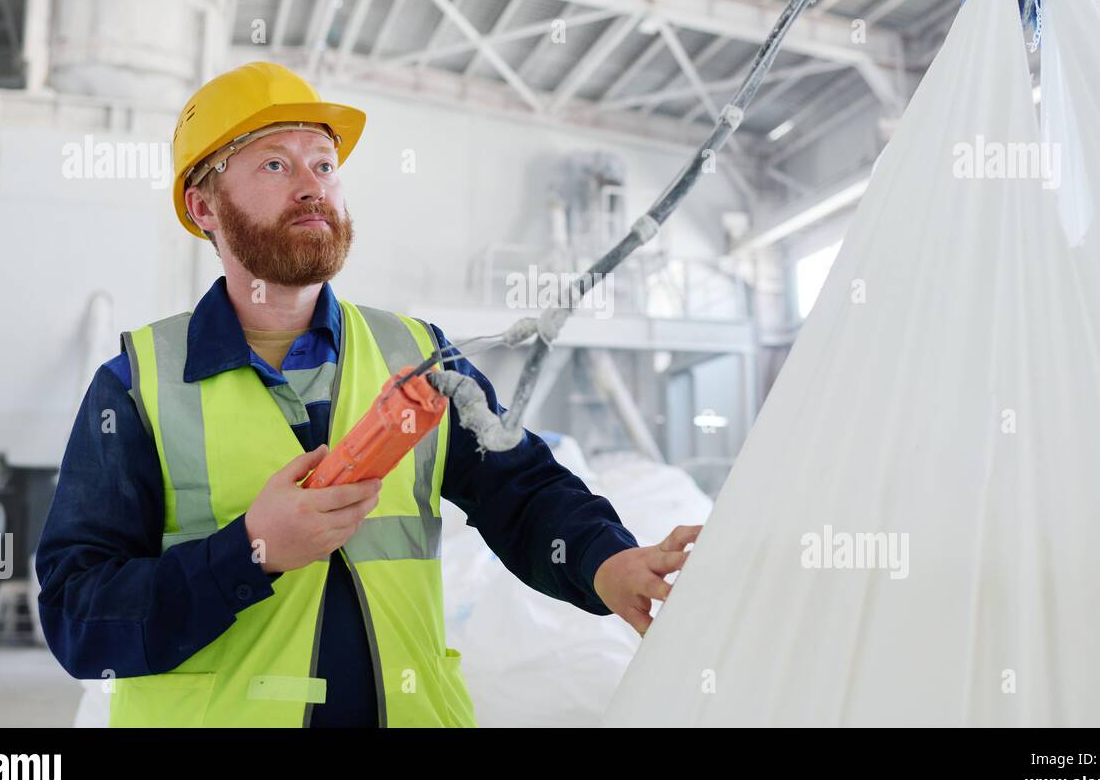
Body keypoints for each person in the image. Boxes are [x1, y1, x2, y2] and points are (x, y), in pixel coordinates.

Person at [36, 61, 700, 727]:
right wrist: (249, 553)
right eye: (274, 165)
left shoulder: (418, 356)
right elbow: (78, 616)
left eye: (323, 165)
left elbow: (521, 491)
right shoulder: (135, 385)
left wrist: (604, 562)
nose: (310, 187)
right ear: (203, 206)